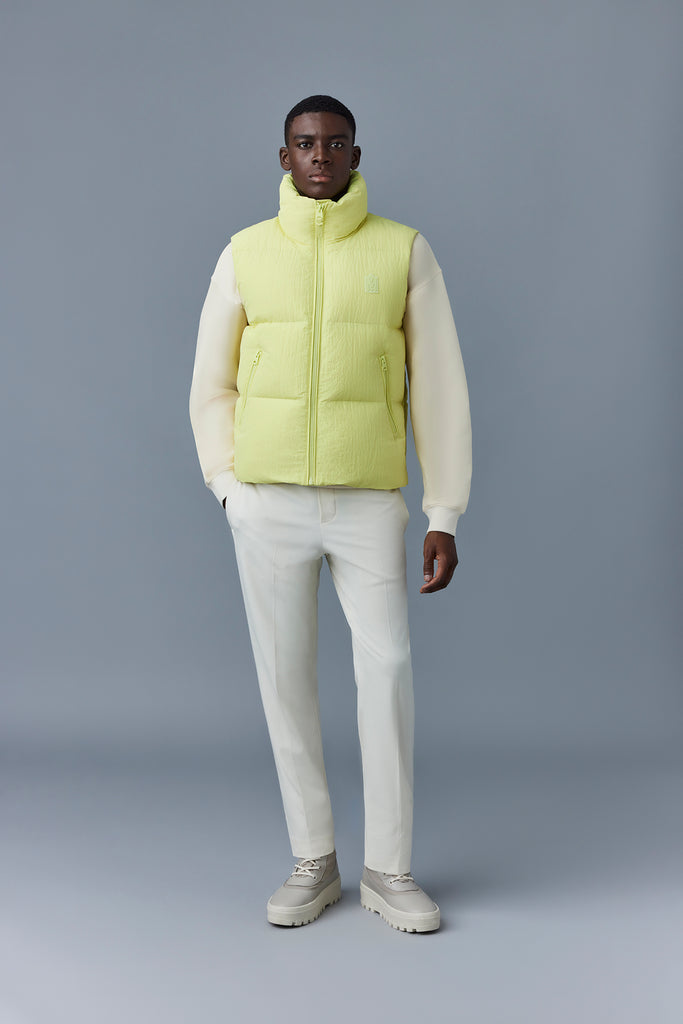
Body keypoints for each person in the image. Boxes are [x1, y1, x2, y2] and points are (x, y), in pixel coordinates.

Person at [189, 95, 472, 933]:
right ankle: (313, 860)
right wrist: (229, 488)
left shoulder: (403, 249)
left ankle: (389, 868)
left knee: (386, 674)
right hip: (267, 503)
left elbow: (441, 388)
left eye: (335, 143)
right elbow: (211, 384)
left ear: (355, 155)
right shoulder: (244, 252)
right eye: (305, 144)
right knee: (285, 683)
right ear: (284, 157)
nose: (320, 156)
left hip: (368, 504)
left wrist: (443, 511)